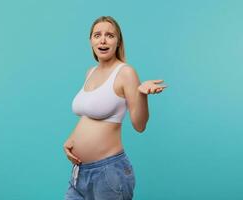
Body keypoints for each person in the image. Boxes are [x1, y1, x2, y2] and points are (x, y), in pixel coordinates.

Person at [63, 16, 167, 200]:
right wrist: (71, 141)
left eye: (109, 35)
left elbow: (139, 125)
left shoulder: (125, 72)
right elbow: (88, 116)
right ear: (91, 41)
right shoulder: (90, 72)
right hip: (79, 172)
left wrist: (141, 94)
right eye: (97, 35)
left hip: (108, 173)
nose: (103, 40)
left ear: (118, 42)